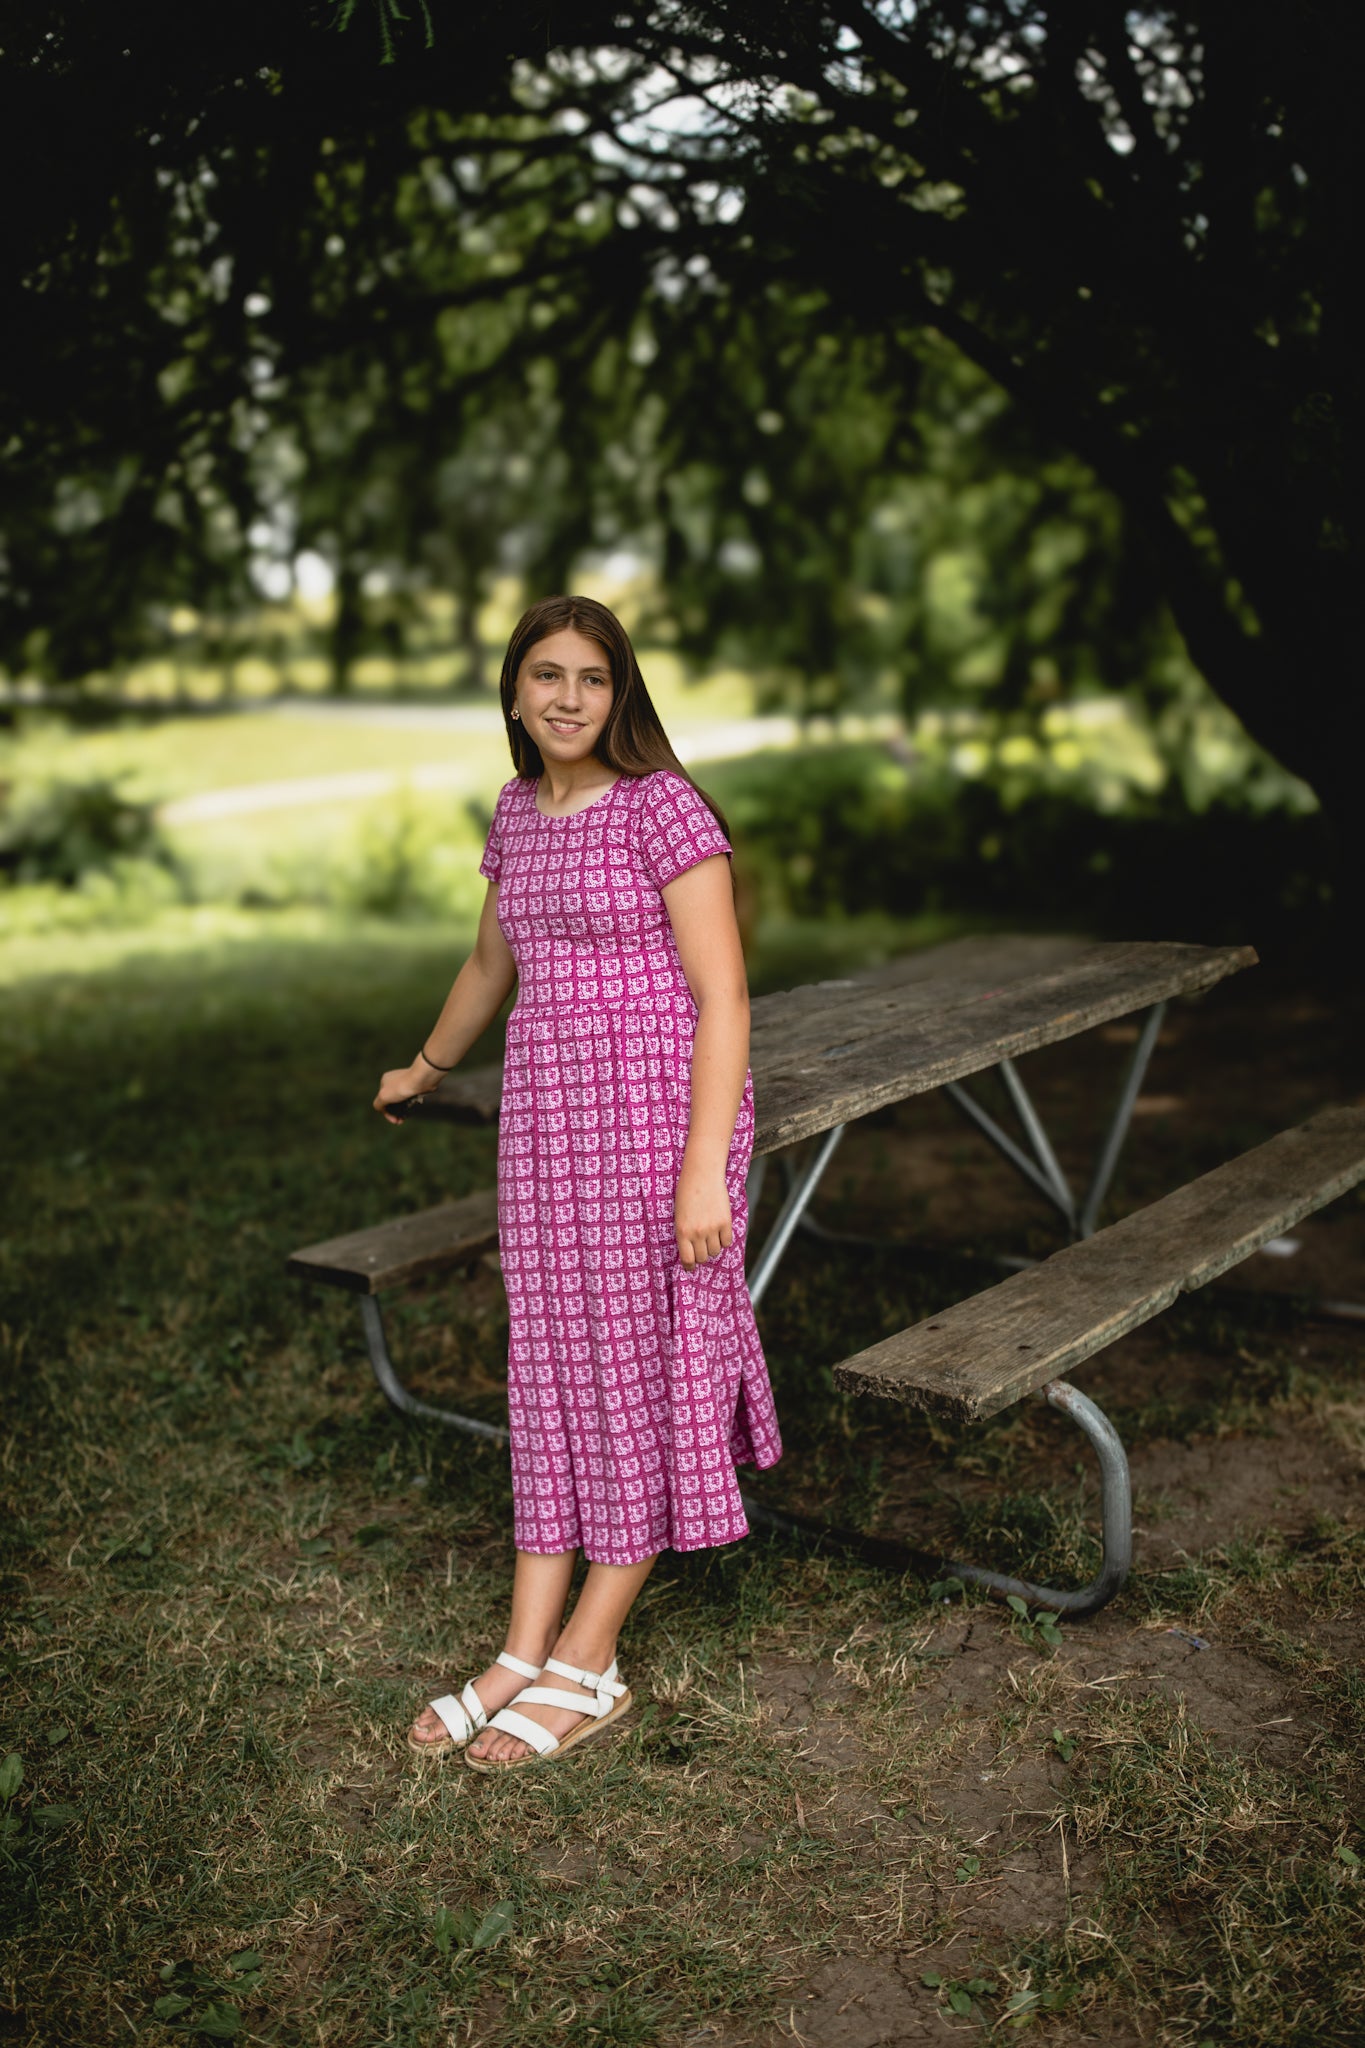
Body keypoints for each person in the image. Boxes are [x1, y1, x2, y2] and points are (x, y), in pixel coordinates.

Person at [373, 594, 782, 1771]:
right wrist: (431, 1061)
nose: (566, 697)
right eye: (544, 675)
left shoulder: (665, 811)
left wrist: (706, 1165)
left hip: (660, 1127)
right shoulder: (515, 813)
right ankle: (522, 1643)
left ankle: (590, 1659)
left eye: (591, 679)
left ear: (621, 695)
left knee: (638, 1366)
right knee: (554, 1362)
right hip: (548, 1127)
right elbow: (492, 957)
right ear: (512, 691)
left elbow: (725, 1000)